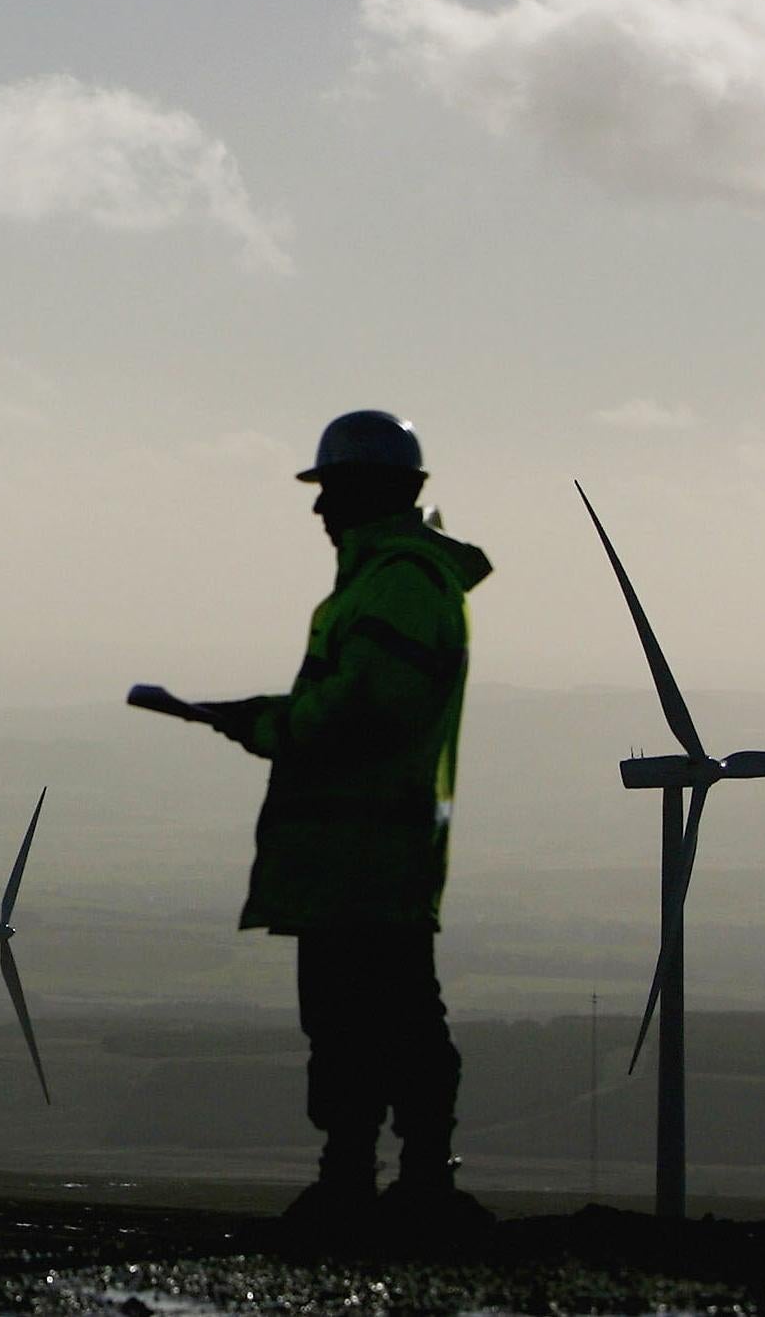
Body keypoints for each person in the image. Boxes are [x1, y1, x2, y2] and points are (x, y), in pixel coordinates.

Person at [198, 410, 492, 1234]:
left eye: (330, 491)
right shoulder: (380, 579)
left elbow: (362, 709)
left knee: (390, 1015)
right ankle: (355, 1180)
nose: (318, 511)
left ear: (373, 492)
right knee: (348, 1020)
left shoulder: (399, 581)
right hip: (347, 853)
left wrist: (261, 722)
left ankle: (415, 1182)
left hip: (371, 849)